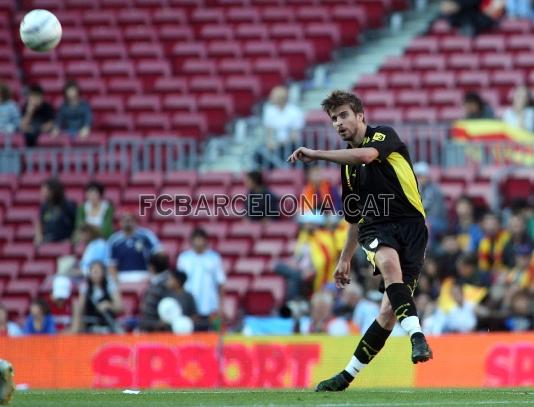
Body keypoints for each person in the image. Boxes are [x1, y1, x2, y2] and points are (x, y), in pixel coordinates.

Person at [287, 90, 433, 391]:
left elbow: (366, 155)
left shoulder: (383, 136)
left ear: (360, 116)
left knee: (387, 313)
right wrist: (344, 259)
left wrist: (315, 154)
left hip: (412, 226)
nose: (338, 123)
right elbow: (353, 218)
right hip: (376, 227)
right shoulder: (347, 169)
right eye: (333, 119)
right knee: (389, 264)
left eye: (343, 115)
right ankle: (418, 337)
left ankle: (346, 377)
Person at [177, 228, 225, 331]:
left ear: (206, 241)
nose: (198, 242)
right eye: (196, 239)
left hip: (209, 303)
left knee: (211, 333)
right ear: (191, 241)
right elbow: (178, 282)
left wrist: (221, 306)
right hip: (189, 303)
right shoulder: (184, 258)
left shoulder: (214, 258)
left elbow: (220, 282)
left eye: (201, 239)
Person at [256, 85, 305, 168]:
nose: (270, 98)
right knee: (258, 153)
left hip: (290, 144)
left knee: (290, 152)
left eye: (273, 96)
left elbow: (295, 134)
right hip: (274, 145)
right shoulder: (269, 110)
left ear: (282, 98)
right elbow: (269, 131)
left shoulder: (295, 111)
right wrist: (270, 142)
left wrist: (282, 143)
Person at [108, 212, 164, 282]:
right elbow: (111, 263)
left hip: (143, 274)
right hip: (122, 275)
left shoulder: (146, 236)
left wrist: (152, 273)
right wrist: (116, 279)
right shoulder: (114, 240)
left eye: (130, 220)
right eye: (125, 220)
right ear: (120, 222)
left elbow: (160, 254)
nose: (128, 223)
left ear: (135, 222)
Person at [71, 261, 123, 333]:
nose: (96, 275)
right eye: (94, 272)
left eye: (98, 271)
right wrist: (78, 307)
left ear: (103, 273)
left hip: (107, 325)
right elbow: (81, 310)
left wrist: (108, 305)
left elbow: (120, 307)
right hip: (90, 326)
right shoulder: (85, 287)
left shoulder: (110, 286)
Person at [413, 162, 447, 245]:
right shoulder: (414, 189)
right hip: (424, 221)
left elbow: (429, 210)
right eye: (417, 176)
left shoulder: (434, 190)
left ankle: (427, 250)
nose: (419, 179)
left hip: (437, 221)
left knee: (425, 224)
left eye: (421, 176)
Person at [35, 178, 77, 245]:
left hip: (64, 243)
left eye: (45, 191)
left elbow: (77, 224)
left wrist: (71, 240)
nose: (43, 193)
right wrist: (38, 236)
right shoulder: (45, 206)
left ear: (53, 191)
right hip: (47, 243)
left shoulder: (69, 205)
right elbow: (40, 223)